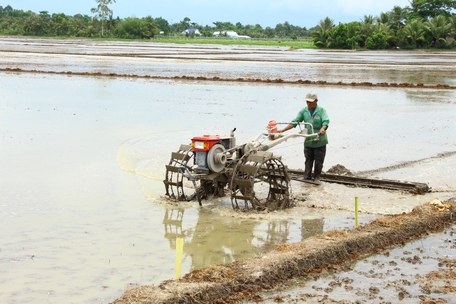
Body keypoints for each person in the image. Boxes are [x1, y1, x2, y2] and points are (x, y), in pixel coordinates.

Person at [278, 92, 329, 183]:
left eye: (310, 102)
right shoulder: (304, 111)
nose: (308, 104)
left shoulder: (321, 110)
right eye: (307, 102)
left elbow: (326, 121)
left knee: (318, 160)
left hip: (319, 140)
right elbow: (295, 122)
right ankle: (307, 177)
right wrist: (282, 130)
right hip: (309, 139)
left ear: (316, 101)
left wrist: (322, 128)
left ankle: (317, 178)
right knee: (308, 159)